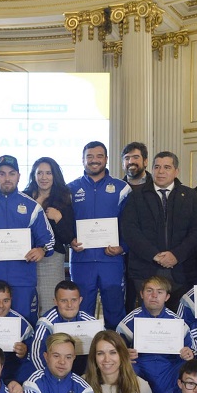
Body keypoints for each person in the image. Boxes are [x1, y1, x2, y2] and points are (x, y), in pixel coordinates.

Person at [0, 154, 55, 325]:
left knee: (25, 328)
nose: (7, 178)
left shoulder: (32, 207)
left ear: (19, 176)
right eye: (2, 174)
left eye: (12, 173)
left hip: (22, 282)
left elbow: (49, 240)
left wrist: (41, 250)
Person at [121, 151, 197, 312]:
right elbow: (130, 231)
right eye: (157, 167)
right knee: (148, 321)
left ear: (176, 171)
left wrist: (176, 255)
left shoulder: (190, 196)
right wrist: (154, 255)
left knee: (180, 319)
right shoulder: (136, 196)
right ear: (151, 169)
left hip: (181, 271)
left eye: (167, 167)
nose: (161, 171)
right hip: (145, 269)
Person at [67, 141, 130, 329]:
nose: (94, 161)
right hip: (81, 261)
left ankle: (116, 354)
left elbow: (131, 225)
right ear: (83, 160)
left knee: (115, 312)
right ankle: (82, 356)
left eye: (99, 156)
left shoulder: (122, 188)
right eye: (90, 156)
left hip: (112, 260)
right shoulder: (69, 189)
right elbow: (65, 223)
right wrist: (71, 240)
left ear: (107, 159)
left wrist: (123, 247)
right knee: (81, 313)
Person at [117, 276, 195, 393]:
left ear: (167, 297)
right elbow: (116, 348)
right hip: (141, 366)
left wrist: (188, 353)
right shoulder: (130, 321)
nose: (154, 296)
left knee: (188, 368)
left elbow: (191, 349)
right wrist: (124, 353)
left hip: (169, 367)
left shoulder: (177, 322)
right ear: (142, 294)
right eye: (149, 291)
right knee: (126, 366)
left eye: (159, 292)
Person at [22, 157, 75, 316]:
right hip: (24, 258)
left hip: (51, 260)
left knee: (48, 307)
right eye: (40, 173)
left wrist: (58, 218)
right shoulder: (23, 197)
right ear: (34, 175)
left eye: (48, 173)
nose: (44, 177)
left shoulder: (64, 199)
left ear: (55, 175)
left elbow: (68, 237)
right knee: (26, 305)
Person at [31, 280, 99, 376]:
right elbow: (36, 355)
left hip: (85, 374)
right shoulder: (46, 323)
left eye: (74, 300)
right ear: (55, 301)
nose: (69, 305)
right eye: (64, 301)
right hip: (55, 374)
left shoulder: (90, 322)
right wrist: (50, 377)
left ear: (80, 300)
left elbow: (106, 344)